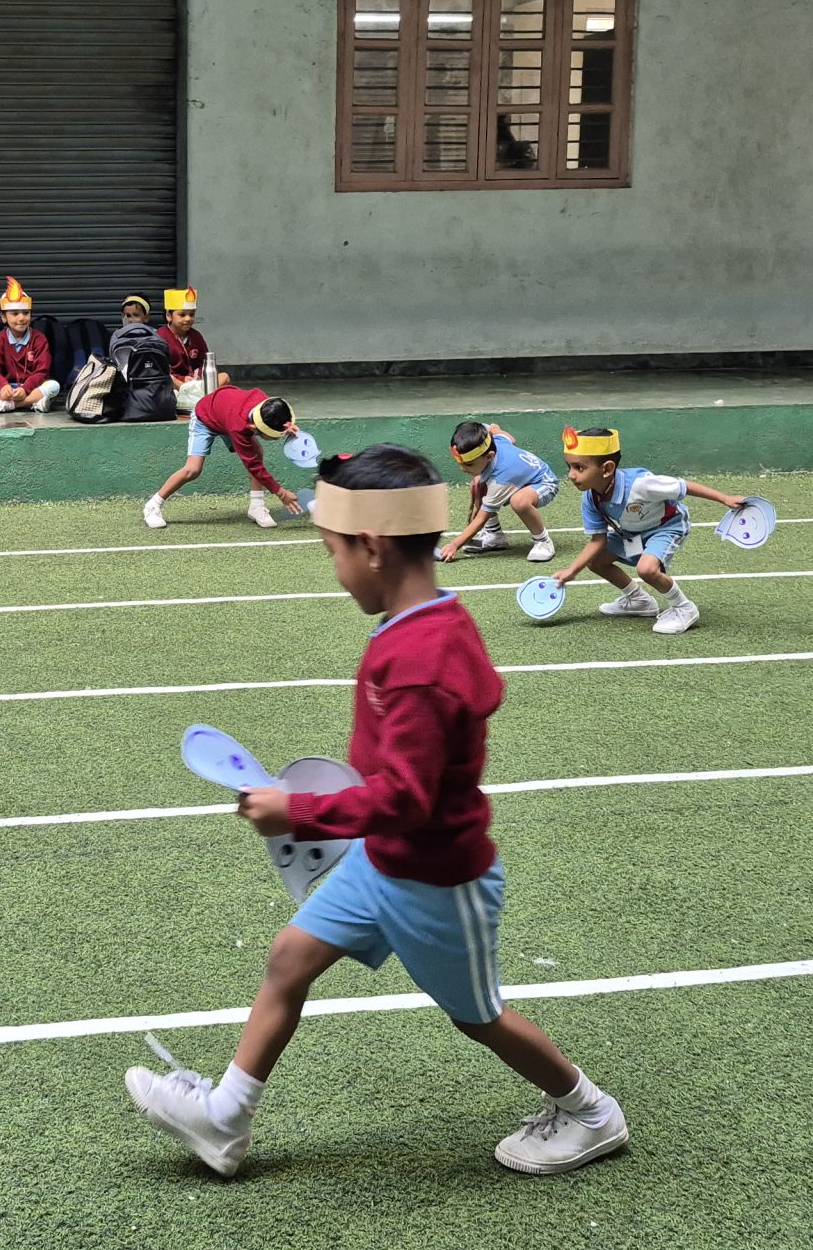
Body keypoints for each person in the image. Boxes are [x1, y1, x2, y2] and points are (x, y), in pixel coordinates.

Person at [123, 443, 630, 1177]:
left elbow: (407, 798)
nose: (334, 569)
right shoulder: (419, 625)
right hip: (384, 859)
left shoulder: (422, 661)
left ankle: (591, 1113)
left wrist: (300, 812)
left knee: (478, 1015)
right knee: (290, 958)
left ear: (370, 547)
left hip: (438, 877)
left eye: (332, 552)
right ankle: (225, 1120)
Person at [550, 424, 750, 636]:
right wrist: (572, 571)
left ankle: (684, 608)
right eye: (569, 467)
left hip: (667, 526)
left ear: (607, 469)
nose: (571, 475)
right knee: (596, 561)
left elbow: (684, 486)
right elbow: (598, 540)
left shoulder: (641, 484)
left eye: (579, 468)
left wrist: (725, 499)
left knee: (647, 569)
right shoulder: (591, 498)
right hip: (631, 532)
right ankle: (638, 600)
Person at [143, 383, 306, 530]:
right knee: (192, 469)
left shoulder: (266, 405)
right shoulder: (239, 427)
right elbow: (253, 466)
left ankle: (256, 506)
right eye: (274, 436)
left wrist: (286, 427)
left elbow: (278, 416)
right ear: (253, 427)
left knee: (257, 452)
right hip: (205, 418)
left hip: (226, 414)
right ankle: (153, 505)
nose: (277, 438)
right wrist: (281, 493)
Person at [438, 420, 558, 563]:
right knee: (477, 484)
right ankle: (494, 536)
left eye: (469, 464)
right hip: (518, 480)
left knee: (519, 501)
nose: (462, 469)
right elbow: (508, 437)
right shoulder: (495, 440)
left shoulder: (500, 479)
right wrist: (494, 428)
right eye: (460, 463)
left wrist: (454, 545)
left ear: (489, 456)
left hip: (544, 483)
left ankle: (543, 541)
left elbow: (481, 518)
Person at [0, 277, 59, 413]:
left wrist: (25, 389)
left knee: (53, 386)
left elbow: (42, 370)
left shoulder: (39, 339)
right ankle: (33, 403)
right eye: (15, 314)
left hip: (31, 387)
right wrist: (3, 385)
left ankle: (9, 406)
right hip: (8, 389)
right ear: (4, 317)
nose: (21, 318)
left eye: (26, 313)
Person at [108, 295, 178, 424]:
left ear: (146, 317)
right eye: (127, 315)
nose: (131, 320)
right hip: (161, 405)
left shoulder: (118, 337)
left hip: (130, 405)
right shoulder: (156, 337)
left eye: (136, 315)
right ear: (122, 316)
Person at [159, 287, 223, 412]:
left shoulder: (196, 335)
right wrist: (182, 379)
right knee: (167, 378)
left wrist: (198, 376)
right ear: (169, 316)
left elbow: (204, 362)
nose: (188, 319)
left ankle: (197, 397)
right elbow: (161, 368)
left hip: (196, 383)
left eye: (191, 314)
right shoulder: (160, 337)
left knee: (224, 377)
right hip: (178, 384)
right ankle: (197, 397)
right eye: (182, 315)